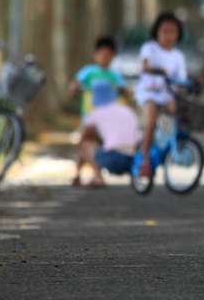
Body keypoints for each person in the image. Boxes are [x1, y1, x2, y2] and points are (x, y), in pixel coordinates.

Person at [68, 35, 128, 185]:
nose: (104, 57)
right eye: (101, 54)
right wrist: (74, 88)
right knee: (85, 142)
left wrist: (124, 91)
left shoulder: (115, 76)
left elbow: (126, 91)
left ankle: (96, 175)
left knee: (86, 143)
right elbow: (75, 85)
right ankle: (80, 174)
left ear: (113, 56)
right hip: (90, 116)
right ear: (95, 55)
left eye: (108, 54)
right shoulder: (88, 72)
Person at [135, 11, 189, 179]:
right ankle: (144, 160)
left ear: (178, 34)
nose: (168, 36)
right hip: (149, 92)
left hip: (167, 94)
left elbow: (181, 78)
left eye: (172, 32)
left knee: (177, 116)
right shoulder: (149, 48)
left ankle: (170, 148)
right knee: (151, 120)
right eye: (164, 31)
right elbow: (145, 65)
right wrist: (156, 70)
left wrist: (190, 83)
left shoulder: (178, 56)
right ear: (157, 32)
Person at [76, 81, 141, 187]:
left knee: (85, 143)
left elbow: (84, 137)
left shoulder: (96, 113)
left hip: (113, 159)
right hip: (135, 159)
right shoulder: (127, 110)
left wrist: (77, 172)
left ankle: (97, 177)